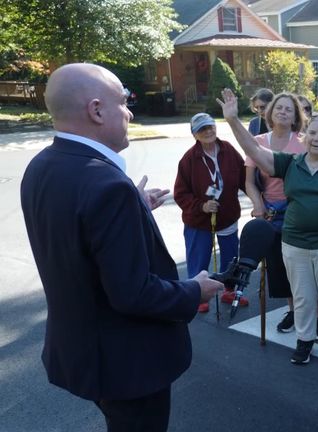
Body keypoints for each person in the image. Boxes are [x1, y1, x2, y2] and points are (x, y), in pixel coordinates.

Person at [20, 63, 221, 432]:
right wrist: (195, 290)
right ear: (96, 111)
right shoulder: (108, 186)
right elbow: (133, 293)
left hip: (83, 352)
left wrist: (135, 209)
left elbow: (74, 231)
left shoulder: (42, 166)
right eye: (123, 102)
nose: (130, 111)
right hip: (127, 364)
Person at [219, 89, 318, 369]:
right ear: (305, 135)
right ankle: (305, 341)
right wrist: (232, 120)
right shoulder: (291, 163)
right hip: (295, 245)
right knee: (302, 298)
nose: (316, 138)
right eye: (312, 133)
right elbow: (254, 150)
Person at [242, 93, 318, 336]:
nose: (283, 112)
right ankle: (293, 311)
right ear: (270, 112)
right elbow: (249, 182)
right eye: (279, 107)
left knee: (306, 265)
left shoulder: (303, 143)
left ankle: (317, 315)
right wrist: (258, 204)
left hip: (298, 211)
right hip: (269, 214)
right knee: (280, 266)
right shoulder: (257, 142)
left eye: (289, 109)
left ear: (296, 116)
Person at [174, 113, 247, 313]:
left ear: (215, 127)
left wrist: (260, 199)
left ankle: (228, 290)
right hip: (198, 219)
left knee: (231, 256)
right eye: (201, 129)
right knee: (199, 256)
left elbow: (244, 178)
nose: (207, 132)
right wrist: (201, 206)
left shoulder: (229, 150)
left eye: (210, 127)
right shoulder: (189, 159)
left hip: (227, 215)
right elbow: (180, 194)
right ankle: (197, 293)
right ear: (194, 135)